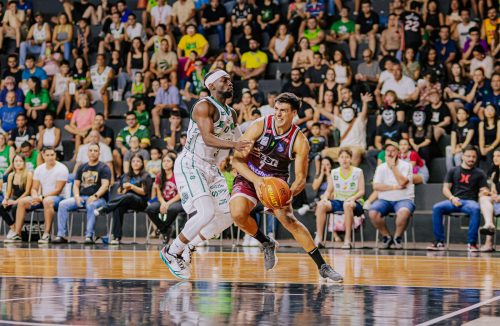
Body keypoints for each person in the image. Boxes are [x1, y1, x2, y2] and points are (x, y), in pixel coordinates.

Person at [230, 92, 343, 282]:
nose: (278, 114)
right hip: (250, 176)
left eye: (283, 110)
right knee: (237, 213)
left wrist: (290, 192)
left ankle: (322, 266)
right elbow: (237, 160)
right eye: (276, 109)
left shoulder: (300, 141)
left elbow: (300, 177)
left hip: (276, 181)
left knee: (289, 220)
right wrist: (257, 180)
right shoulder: (259, 125)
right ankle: (266, 243)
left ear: (294, 113)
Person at [160, 69, 252, 279]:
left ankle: (188, 246)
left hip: (211, 166)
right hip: (191, 163)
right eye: (224, 80)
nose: (230, 83)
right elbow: (208, 138)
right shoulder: (204, 105)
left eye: (230, 79)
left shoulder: (232, 113)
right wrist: (235, 144)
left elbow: (241, 140)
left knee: (230, 215)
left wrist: (252, 147)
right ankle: (172, 251)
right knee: (206, 212)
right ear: (211, 85)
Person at [427, 146, 490, 252]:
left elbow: (483, 189)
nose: (471, 159)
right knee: (437, 207)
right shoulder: (453, 170)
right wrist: (452, 198)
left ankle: (472, 243)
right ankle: (439, 242)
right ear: (462, 156)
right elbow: (445, 188)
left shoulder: (480, 173)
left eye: (474, 157)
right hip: (454, 200)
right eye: (468, 156)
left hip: (470, 202)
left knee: (476, 208)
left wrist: (483, 192)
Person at [53, 143, 111, 244]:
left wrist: (95, 196)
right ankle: (61, 235)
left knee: (91, 205)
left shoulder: (104, 167)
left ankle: (89, 236)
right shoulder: (82, 167)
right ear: (87, 152)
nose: (93, 153)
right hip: (82, 197)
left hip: (99, 199)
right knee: (63, 204)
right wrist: (76, 196)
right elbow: (76, 185)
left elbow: (105, 185)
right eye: (91, 150)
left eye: (95, 151)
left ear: (99, 153)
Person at [10, 147, 69, 243]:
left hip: (59, 198)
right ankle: (17, 234)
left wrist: (41, 197)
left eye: (52, 155)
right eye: (48, 155)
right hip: (41, 198)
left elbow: (58, 190)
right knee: (22, 202)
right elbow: (34, 188)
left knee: (47, 201)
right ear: (43, 155)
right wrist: (34, 197)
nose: (50, 157)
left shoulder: (62, 168)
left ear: (55, 156)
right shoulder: (39, 169)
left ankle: (46, 234)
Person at [94, 154, 151, 245]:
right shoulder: (126, 175)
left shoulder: (145, 175)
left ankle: (105, 208)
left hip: (141, 202)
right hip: (126, 201)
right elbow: (120, 192)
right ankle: (116, 237)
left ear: (142, 163)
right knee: (118, 207)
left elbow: (144, 192)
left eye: (138, 161)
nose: (135, 163)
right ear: (130, 163)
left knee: (129, 196)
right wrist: (123, 189)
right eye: (133, 161)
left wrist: (132, 187)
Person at [315, 148, 365, 250]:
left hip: (355, 202)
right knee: (321, 205)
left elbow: (362, 191)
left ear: (350, 159)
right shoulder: (334, 172)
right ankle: (319, 239)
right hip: (338, 201)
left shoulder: (358, 171)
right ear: (338, 159)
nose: (344, 159)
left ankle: (347, 240)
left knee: (347, 205)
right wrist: (324, 198)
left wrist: (352, 198)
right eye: (342, 157)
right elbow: (329, 191)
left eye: (347, 157)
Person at [368, 141, 415, 249]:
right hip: (384, 200)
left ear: (398, 152)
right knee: (373, 212)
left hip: (404, 199)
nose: (390, 153)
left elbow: (403, 182)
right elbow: (376, 186)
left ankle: (397, 237)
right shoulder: (381, 168)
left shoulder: (406, 166)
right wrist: (394, 187)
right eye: (387, 151)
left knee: (404, 212)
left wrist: (393, 167)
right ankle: (387, 236)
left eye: (393, 150)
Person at [145, 153, 184, 244]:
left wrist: (168, 203)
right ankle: (165, 229)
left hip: (176, 201)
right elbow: (159, 194)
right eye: (164, 161)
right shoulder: (159, 176)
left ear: (173, 163)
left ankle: (162, 229)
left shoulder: (178, 175)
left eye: (168, 161)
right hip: (163, 200)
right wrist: (163, 203)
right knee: (150, 209)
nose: (165, 163)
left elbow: (180, 194)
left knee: (172, 209)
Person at [2, 154, 33, 242]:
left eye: (20, 161)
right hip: (14, 198)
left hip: (25, 199)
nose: (18, 163)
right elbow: (8, 191)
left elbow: (27, 192)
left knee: (16, 207)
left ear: (24, 163)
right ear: (13, 163)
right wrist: (6, 199)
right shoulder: (11, 175)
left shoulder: (28, 174)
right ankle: (13, 228)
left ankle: (17, 232)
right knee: (1, 207)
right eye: (16, 161)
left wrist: (15, 202)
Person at [89, 54, 114, 119]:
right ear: (96, 60)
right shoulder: (92, 69)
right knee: (83, 93)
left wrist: (103, 88)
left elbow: (109, 81)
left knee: (104, 91)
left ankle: (106, 112)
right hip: (96, 91)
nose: (100, 60)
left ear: (104, 60)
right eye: (98, 59)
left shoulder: (109, 69)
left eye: (101, 59)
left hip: (107, 91)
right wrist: (82, 88)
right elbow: (88, 81)